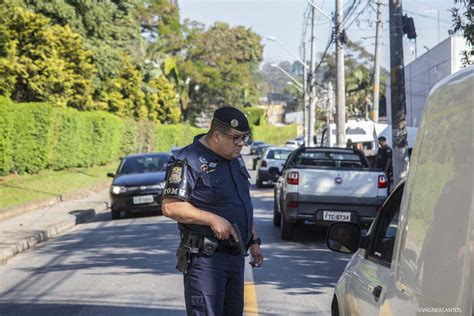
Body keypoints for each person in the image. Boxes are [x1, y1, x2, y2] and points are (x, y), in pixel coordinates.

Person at [161, 106, 264, 316]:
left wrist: (253, 240)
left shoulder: (235, 158)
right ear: (217, 135)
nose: (241, 144)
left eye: (245, 137)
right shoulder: (187, 160)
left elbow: (241, 201)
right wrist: (211, 219)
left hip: (235, 257)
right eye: (236, 138)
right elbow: (170, 206)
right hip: (206, 262)